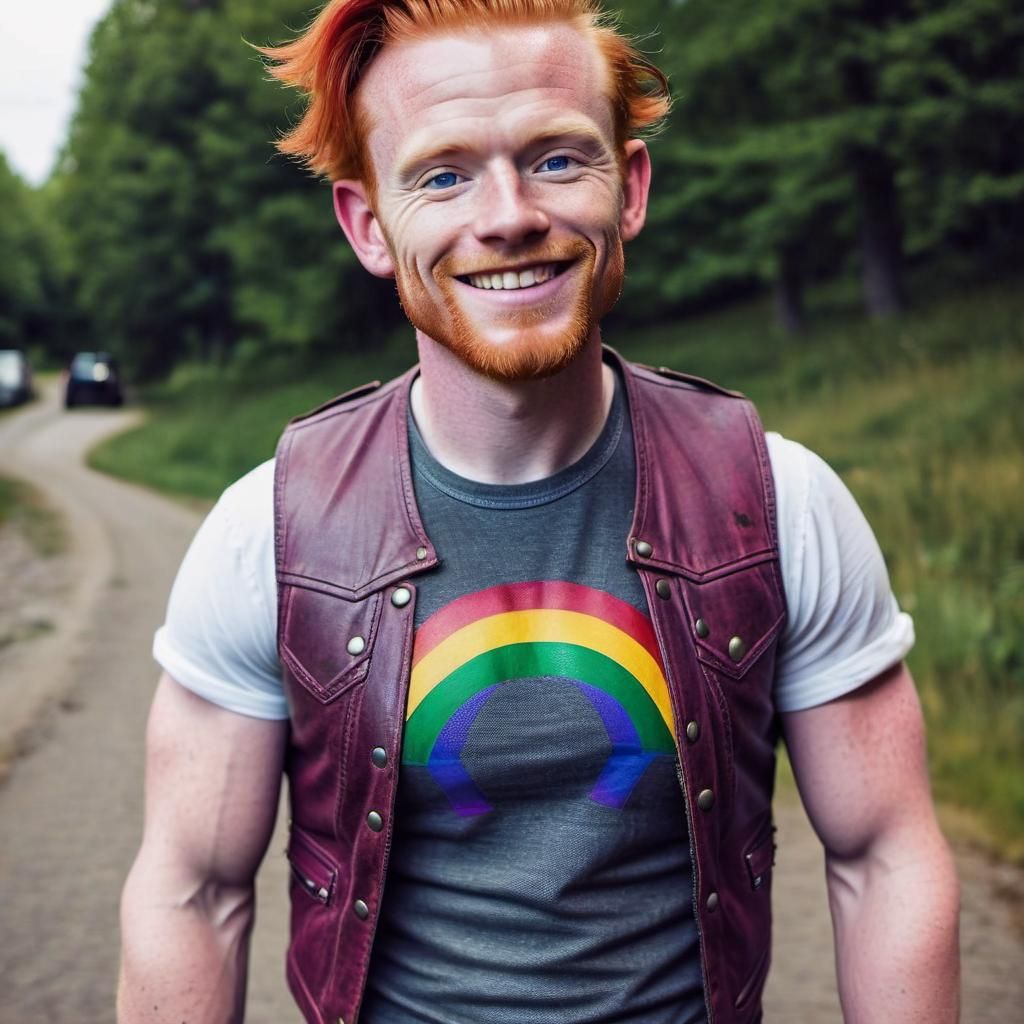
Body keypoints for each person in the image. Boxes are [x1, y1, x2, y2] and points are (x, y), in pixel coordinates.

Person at [117, 1, 960, 1022]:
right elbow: (192, 894)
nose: (508, 213)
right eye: (443, 173)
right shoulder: (272, 533)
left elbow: (883, 856)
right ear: (368, 225)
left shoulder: (778, 504)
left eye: (558, 159)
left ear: (631, 187)